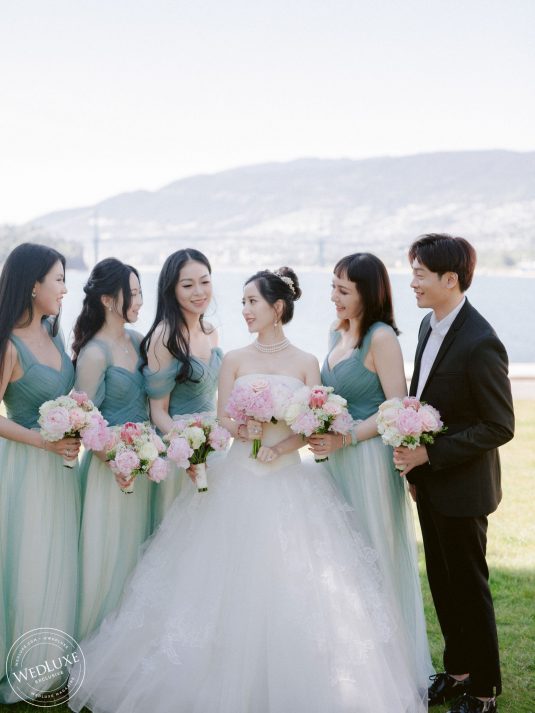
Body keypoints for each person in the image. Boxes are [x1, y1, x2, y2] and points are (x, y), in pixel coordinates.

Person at [68, 267, 428, 713]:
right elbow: (223, 417)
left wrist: (281, 446)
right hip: (237, 473)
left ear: (277, 308)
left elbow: (314, 420)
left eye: (252, 302)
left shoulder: (306, 362)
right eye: (242, 302)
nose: (244, 310)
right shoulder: (234, 358)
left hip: (288, 478)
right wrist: (244, 428)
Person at [393, 234, 514, 713]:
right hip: (431, 485)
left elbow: (499, 425)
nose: (412, 282)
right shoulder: (429, 324)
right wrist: (415, 464)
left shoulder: (481, 341)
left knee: (469, 589)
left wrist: (430, 455)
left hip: (463, 489)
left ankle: (484, 692)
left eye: (420, 274)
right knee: (443, 585)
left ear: (450, 279)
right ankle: (458, 671)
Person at [309, 252, 433, 697]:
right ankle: (351, 663)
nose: (334, 296)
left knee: (374, 556)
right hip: (335, 463)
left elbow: (394, 408)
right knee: (339, 562)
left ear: (368, 292)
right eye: (333, 287)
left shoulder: (381, 338)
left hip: (367, 463)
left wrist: (345, 438)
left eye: (343, 290)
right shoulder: (336, 331)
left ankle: (392, 668)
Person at [0, 243, 81, 703]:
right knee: (29, 558)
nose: (65, 289)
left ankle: (52, 653)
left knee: (57, 556)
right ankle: (22, 658)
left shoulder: (53, 332)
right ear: (34, 285)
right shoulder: (9, 343)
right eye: (59, 279)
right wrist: (43, 442)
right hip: (26, 466)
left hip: (61, 468)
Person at [72, 258, 152, 640]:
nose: (139, 301)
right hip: (110, 470)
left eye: (139, 292)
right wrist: (116, 462)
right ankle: (97, 641)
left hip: (144, 462)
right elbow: (84, 421)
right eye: (131, 294)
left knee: (140, 556)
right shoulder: (95, 353)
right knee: (109, 558)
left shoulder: (138, 341)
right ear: (107, 299)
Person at [140, 249, 222, 529]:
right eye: (187, 285)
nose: (199, 292)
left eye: (205, 281)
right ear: (172, 290)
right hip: (180, 451)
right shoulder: (164, 337)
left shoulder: (211, 332)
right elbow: (158, 411)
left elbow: (213, 396)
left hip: (215, 446)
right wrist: (187, 450)